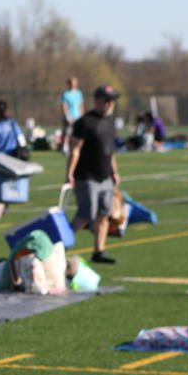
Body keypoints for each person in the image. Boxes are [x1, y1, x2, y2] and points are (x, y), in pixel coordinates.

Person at [65, 85, 121, 265]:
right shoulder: (84, 122)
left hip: (105, 177)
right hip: (86, 176)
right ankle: (59, 245)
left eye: (112, 101)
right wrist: (70, 173)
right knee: (85, 215)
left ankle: (99, 251)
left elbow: (109, 151)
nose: (110, 104)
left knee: (104, 215)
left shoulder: (110, 122)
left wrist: (115, 171)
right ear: (97, 101)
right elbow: (75, 149)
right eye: (107, 100)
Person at [60, 77, 84, 148]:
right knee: (68, 133)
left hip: (78, 117)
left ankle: (78, 147)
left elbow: (81, 105)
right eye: (71, 83)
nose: (73, 84)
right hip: (70, 117)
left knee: (79, 134)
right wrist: (67, 117)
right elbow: (64, 106)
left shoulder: (79, 93)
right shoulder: (66, 94)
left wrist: (82, 116)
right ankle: (65, 148)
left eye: (74, 82)